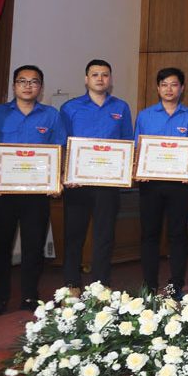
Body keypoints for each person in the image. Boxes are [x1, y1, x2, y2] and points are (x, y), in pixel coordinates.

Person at [0, 65, 68, 315]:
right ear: (14, 85)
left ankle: (29, 296)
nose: (28, 86)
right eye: (22, 81)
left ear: (41, 87)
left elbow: (60, 152)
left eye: (34, 82)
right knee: (0, 246)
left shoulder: (51, 115)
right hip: (2, 194)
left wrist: (56, 179)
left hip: (36, 195)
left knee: (34, 247)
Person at [59, 59, 133, 289]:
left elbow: (127, 143)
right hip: (77, 183)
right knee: (74, 235)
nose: (100, 79)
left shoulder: (121, 107)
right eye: (95, 74)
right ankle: (71, 284)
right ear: (86, 79)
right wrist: (64, 174)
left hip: (108, 183)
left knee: (105, 235)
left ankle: (101, 285)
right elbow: (61, 145)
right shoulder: (70, 108)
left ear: (110, 79)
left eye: (105, 74)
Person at [134, 67, 188, 298]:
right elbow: (137, 148)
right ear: (158, 88)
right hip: (150, 184)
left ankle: (176, 285)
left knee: (177, 236)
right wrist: (138, 168)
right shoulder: (145, 116)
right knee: (149, 235)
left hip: (180, 186)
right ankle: (149, 285)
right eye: (164, 85)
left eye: (174, 84)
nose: (169, 89)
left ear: (182, 88)